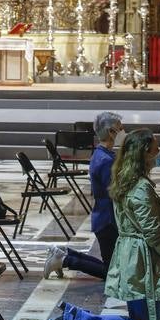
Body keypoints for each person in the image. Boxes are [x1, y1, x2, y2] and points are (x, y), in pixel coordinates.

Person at [44, 129, 160, 320]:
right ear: (144, 153)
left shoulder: (126, 180)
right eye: (156, 149)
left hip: (132, 256)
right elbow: (152, 231)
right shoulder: (140, 188)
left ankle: (73, 318)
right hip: (142, 262)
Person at [44, 111, 123, 281]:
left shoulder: (103, 154)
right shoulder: (106, 160)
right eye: (120, 129)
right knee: (112, 274)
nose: (122, 132)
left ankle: (65, 254)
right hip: (108, 219)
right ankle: (66, 260)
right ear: (110, 132)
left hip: (104, 216)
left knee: (113, 266)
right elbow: (115, 190)